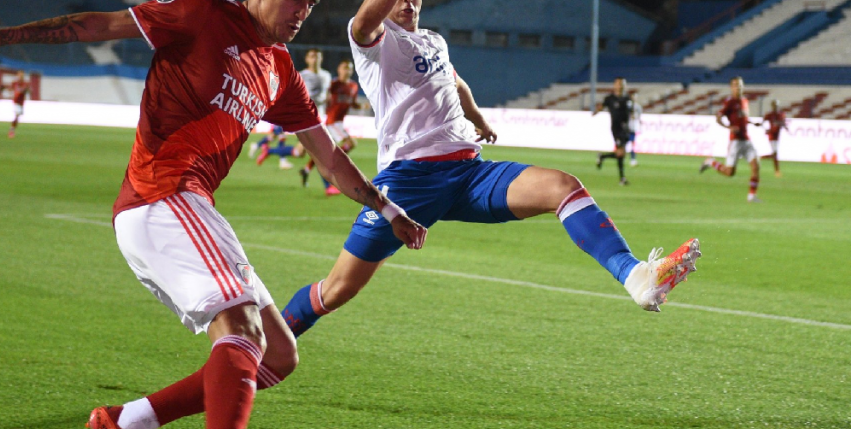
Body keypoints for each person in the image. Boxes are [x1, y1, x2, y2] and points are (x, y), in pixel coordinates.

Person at [0, 1, 427, 429]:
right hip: (162, 196)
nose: (303, 11)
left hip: (187, 207)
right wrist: (0, 37)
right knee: (243, 330)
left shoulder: (280, 68)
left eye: (312, 3)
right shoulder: (203, 14)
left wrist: (387, 209)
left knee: (278, 355)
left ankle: (126, 423)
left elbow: (329, 158)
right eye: (295, 0)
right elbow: (98, 25)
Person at [281, 0, 701, 340]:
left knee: (562, 187)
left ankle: (636, 277)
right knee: (339, 288)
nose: (407, 3)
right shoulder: (372, 41)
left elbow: (455, 83)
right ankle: (270, 342)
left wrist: (478, 119)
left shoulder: (433, 41)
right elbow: (365, 20)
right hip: (408, 182)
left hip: (468, 172)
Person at [299, 59, 368, 195]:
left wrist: (361, 106)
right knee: (350, 143)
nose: (347, 71)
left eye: (349, 68)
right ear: (339, 70)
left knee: (323, 153)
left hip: (339, 123)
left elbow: (352, 103)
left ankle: (307, 169)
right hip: (332, 122)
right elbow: (323, 96)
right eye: (344, 68)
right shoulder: (333, 84)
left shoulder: (353, 86)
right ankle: (333, 166)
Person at [700, 77, 762, 202]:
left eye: (740, 85)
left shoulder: (744, 101)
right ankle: (711, 162)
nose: (738, 87)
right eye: (736, 85)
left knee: (756, 166)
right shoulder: (730, 102)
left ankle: (751, 196)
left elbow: (742, 118)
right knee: (729, 172)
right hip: (735, 141)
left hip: (746, 140)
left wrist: (752, 123)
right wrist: (729, 127)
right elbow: (718, 118)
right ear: (731, 87)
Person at [592, 77, 633, 185]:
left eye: (622, 84)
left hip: (625, 128)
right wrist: (596, 111)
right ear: (615, 85)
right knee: (621, 152)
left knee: (621, 154)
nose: (620, 86)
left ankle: (621, 177)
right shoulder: (610, 98)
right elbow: (602, 106)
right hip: (616, 128)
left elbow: (630, 112)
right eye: (618, 84)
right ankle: (621, 177)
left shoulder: (627, 98)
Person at [755, 99, 788, 177]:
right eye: (774, 105)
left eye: (776, 105)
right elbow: (763, 122)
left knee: (774, 154)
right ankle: (777, 171)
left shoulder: (781, 114)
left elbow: (783, 122)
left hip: (777, 136)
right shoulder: (770, 114)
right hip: (772, 135)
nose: (775, 107)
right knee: (775, 153)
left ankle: (760, 157)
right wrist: (765, 129)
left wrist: (785, 127)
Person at [298, 47, 331, 115]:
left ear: (321, 59)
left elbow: (328, 92)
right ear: (307, 59)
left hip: (321, 113)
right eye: (312, 57)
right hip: (305, 113)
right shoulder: (301, 76)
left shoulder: (326, 75)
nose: (315, 59)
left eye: (317, 57)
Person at [7, 70, 30, 138]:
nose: (20, 76)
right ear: (17, 75)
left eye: (22, 75)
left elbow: (28, 91)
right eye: (19, 75)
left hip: (21, 102)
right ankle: (11, 130)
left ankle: (12, 129)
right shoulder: (15, 83)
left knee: (18, 116)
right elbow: (10, 89)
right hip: (16, 101)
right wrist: (11, 94)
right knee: (17, 114)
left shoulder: (25, 83)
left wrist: (26, 90)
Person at [627, 90, 642, 167]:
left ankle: (632, 159)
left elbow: (639, 117)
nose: (635, 98)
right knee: (625, 144)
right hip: (627, 127)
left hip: (632, 127)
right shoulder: (628, 105)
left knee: (632, 144)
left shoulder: (638, 106)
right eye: (634, 96)